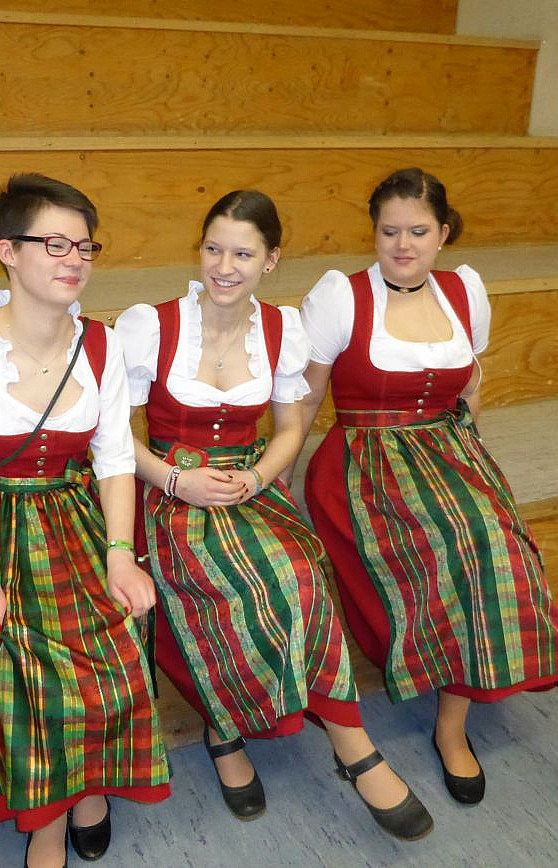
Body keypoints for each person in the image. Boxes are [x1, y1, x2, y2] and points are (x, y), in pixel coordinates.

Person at [298, 168, 558, 806]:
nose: (402, 245)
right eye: (389, 231)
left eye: (418, 231)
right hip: (365, 462)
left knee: (498, 533)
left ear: (444, 233)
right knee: (467, 538)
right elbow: (304, 400)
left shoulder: (464, 290)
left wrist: (471, 461)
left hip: (446, 447)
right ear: (374, 232)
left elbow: (472, 386)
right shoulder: (341, 297)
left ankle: (460, 719)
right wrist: (281, 483)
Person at [115, 190, 432, 841]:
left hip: (249, 482)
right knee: (227, 579)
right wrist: (176, 479)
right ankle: (229, 729)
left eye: (242, 253)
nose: (223, 266)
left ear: (270, 259)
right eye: (213, 249)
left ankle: (346, 740)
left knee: (301, 575)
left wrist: (259, 477)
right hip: (168, 487)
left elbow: (290, 428)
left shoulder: (282, 329)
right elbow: (113, 435)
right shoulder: (151, 325)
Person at [0, 174, 170, 868]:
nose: (74, 259)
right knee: (27, 662)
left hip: (75, 518)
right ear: (8, 251)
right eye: (54, 244)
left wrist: (120, 554)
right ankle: (48, 822)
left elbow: (115, 458)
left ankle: (91, 785)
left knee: (119, 636)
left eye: (84, 246)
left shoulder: (103, 344)